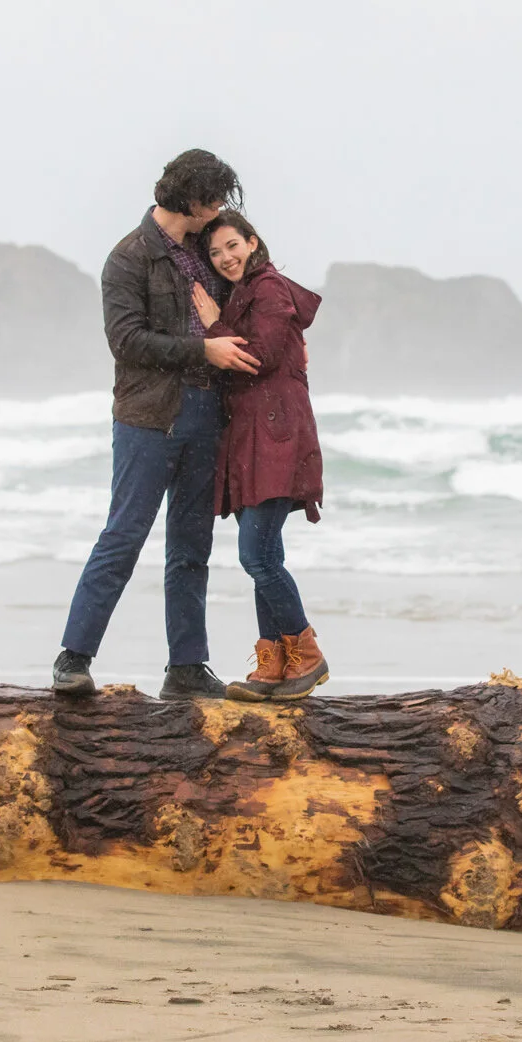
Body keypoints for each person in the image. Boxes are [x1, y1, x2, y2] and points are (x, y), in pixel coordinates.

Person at [51, 150, 260, 701]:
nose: (219, 210)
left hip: (207, 416)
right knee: (123, 535)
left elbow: (254, 280)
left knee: (192, 547)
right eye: (213, 199)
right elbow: (126, 342)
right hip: (149, 417)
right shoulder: (128, 257)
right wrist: (203, 350)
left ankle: (187, 666)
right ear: (190, 200)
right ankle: (73, 657)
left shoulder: (207, 245)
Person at [190, 210, 330, 701]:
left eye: (232, 245)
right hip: (257, 439)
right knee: (266, 554)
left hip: (278, 437)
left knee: (256, 556)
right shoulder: (245, 292)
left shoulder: (267, 288)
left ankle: (307, 656)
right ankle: (273, 665)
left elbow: (259, 356)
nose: (225, 258)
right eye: (214, 252)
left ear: (252, 242)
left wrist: (212, 325)